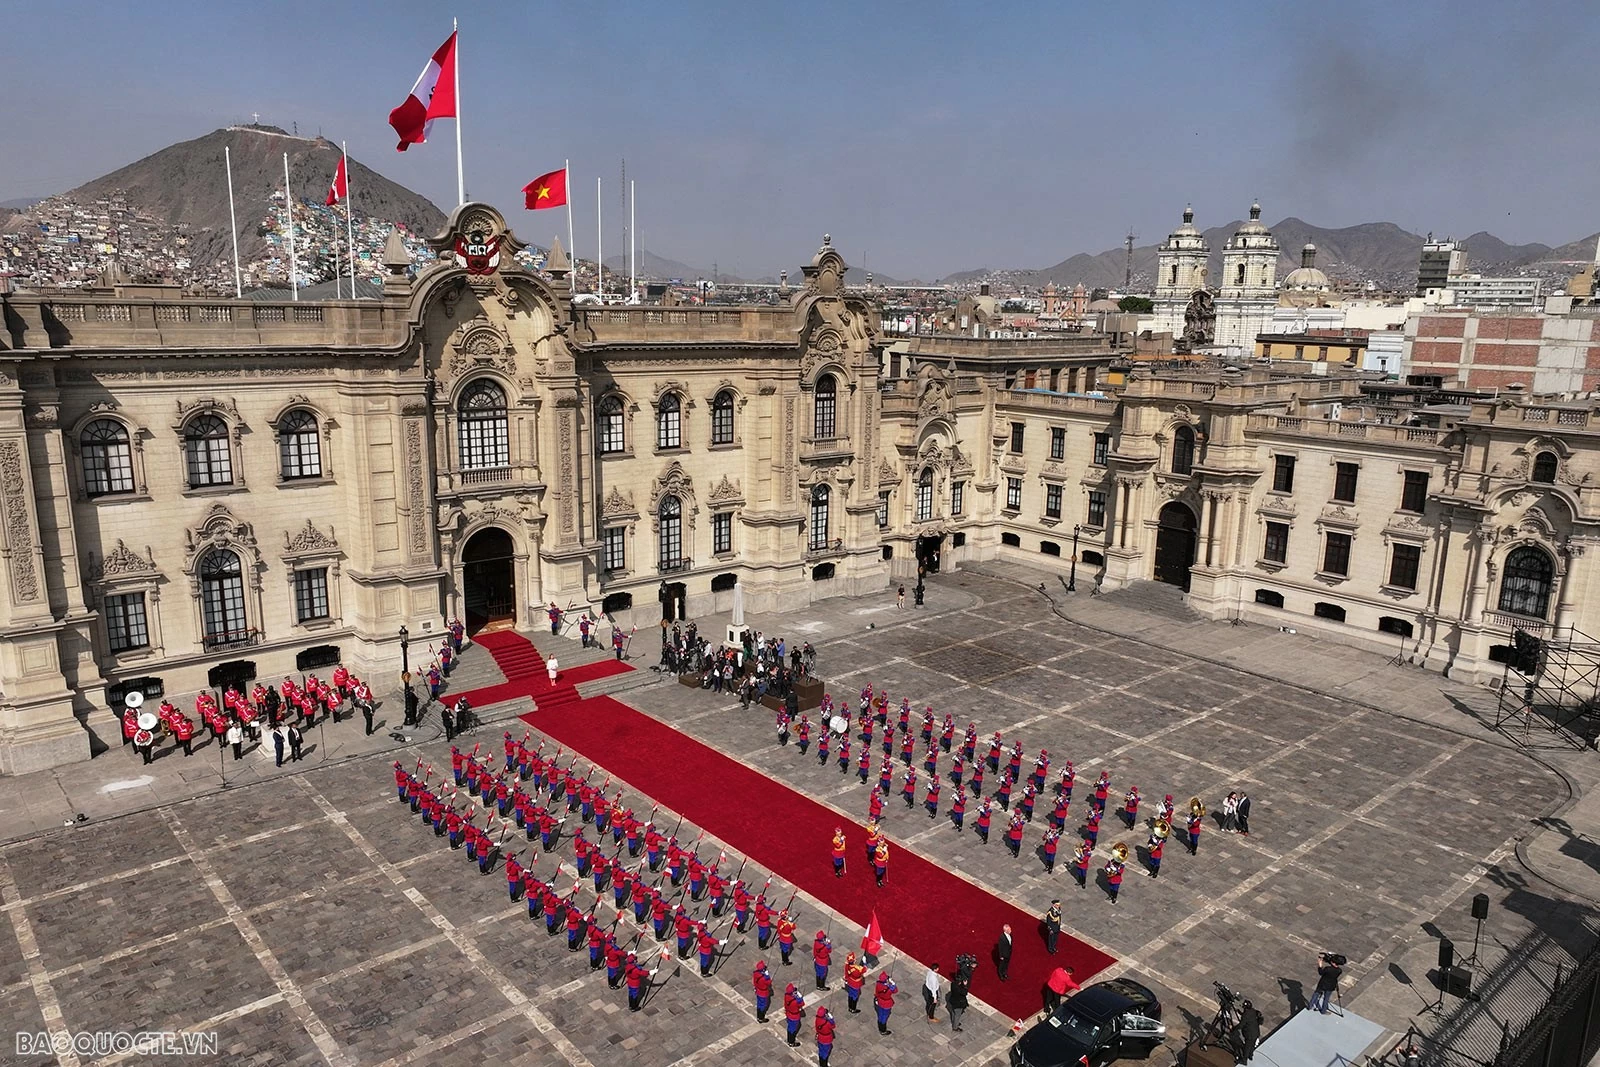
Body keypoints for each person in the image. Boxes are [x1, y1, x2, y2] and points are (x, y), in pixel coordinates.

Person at [1232, 997, 1263, 1063]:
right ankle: (1250, 1055)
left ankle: (1244, 1060)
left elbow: (1241, 1025)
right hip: (1256, 1032)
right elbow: (1249, 1016)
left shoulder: (1246, 1015)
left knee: (1247, 1047)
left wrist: (1234, 1028)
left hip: (1249, 1034)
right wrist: (1241, 1013)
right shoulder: (1253, 1011)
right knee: (1252, 1045)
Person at [946, 966, 969, 1032]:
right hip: (958, 1003)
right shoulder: (959, 989)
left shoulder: (953, 984)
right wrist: (965, 986)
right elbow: (965, 993)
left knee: (953, 1013)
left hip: (953, 1001)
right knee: (957, 1015)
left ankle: (954, 1022)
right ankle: (955, 1027)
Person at [873, 971, 897, 1035]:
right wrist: (893, 984)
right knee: (885, 1016)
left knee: (880, 1015)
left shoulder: (878, 984)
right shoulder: (888, 988)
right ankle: (883, 1030)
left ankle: (880, 1025)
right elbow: (895, 990)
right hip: (886, 1003)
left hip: (880, 1001)